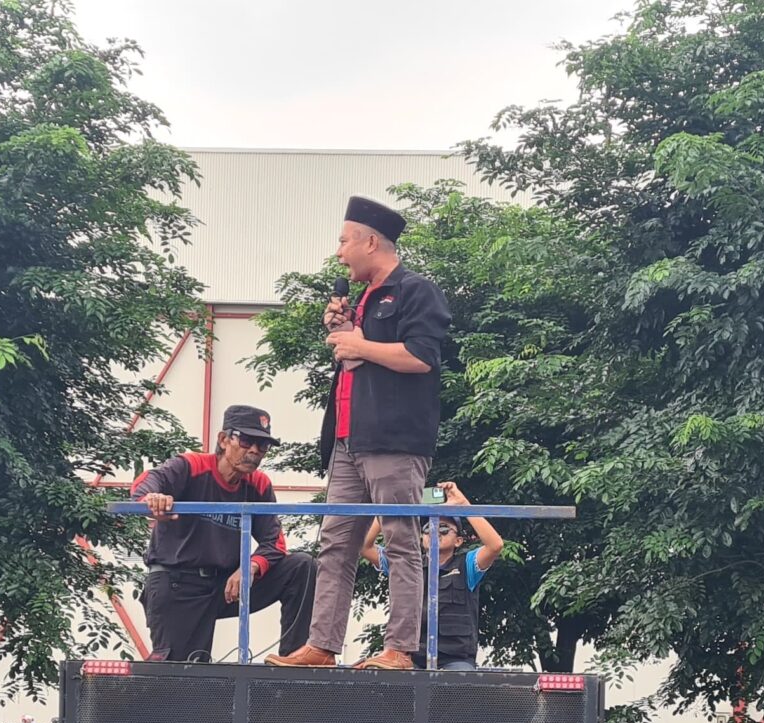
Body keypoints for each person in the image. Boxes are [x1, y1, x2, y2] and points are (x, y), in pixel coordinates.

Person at [271, 194, 452, 673]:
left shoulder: (416, 291)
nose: (339, 252)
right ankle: (323, 646)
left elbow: (420, 357)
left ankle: (400, 649)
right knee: (335, 543)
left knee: (400, 540)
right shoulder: (366, 298)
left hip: (394, 441)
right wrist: (349, 330)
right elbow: (362, 357)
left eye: (344, 240)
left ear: (372, 242)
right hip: (349, 440)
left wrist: (359, 342)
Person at [132, 405, 319, 663]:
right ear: (223, 439)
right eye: (246, 441)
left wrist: (250, 566)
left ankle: (296, 660)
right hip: (179, 584)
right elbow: (148, 481)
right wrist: (152, 499)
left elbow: (275, 543)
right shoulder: (191, 466)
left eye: (262, 446)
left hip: (226, 584)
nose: (254, 451)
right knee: (184, 675)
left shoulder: (258, 484)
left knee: (303, 567)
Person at [360, 480, 506, 668]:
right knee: (392, 688)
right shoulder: (407, 564)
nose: (435, 531)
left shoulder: (467, 565)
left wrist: (463, 505)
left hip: (455, 659)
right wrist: (389, 507)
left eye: (444, 528)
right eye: (428, 529)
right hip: (411, 658)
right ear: (421, 538)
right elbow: (364, 547)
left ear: (459, 541)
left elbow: (495, 545)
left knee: (457, 690)